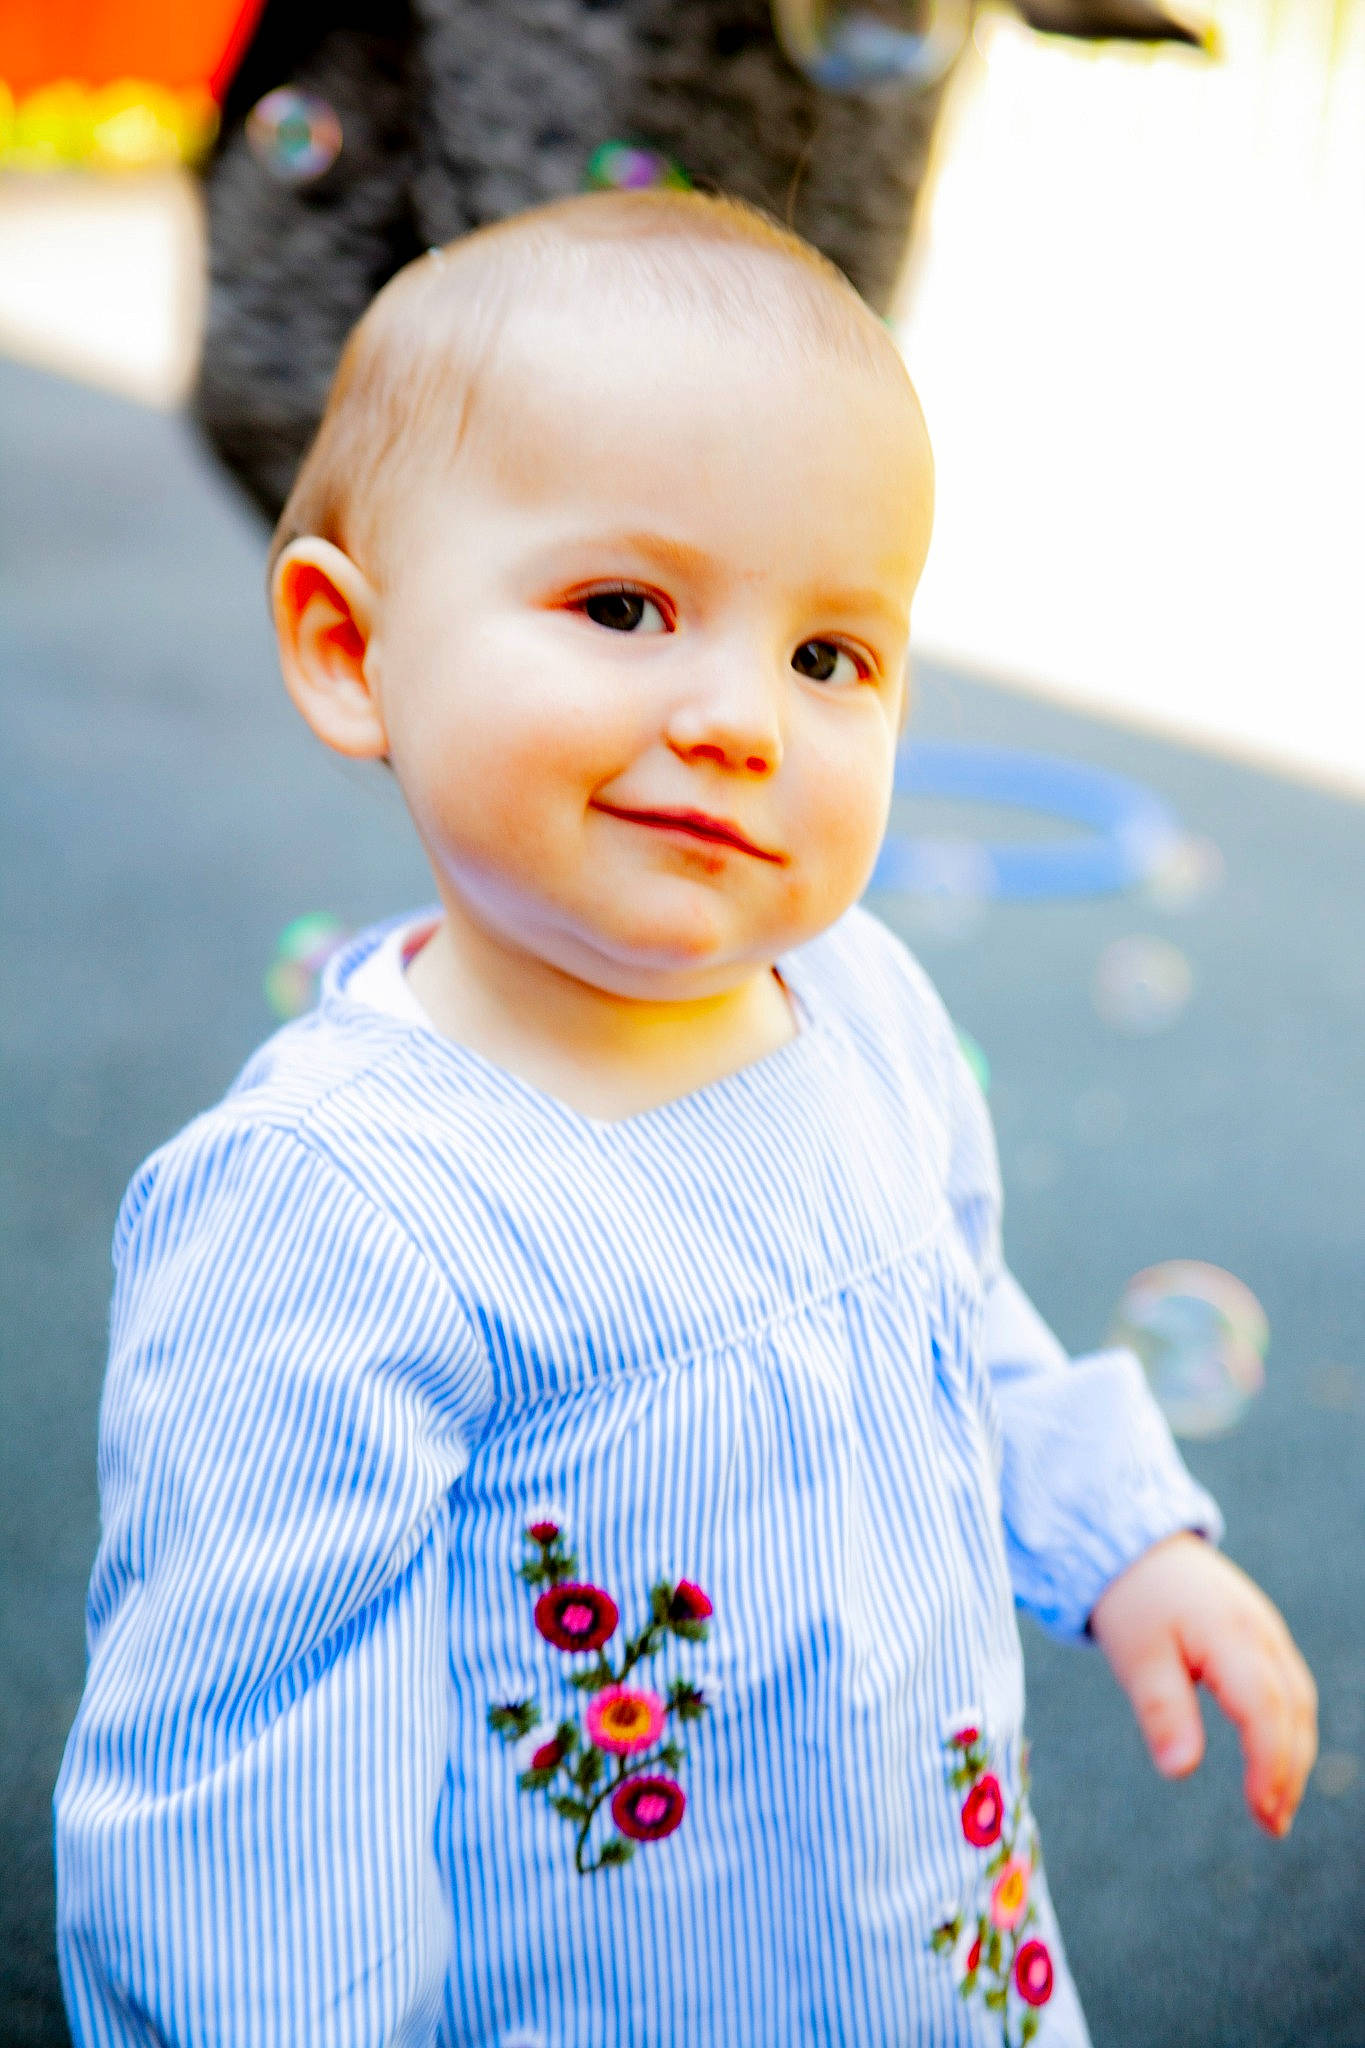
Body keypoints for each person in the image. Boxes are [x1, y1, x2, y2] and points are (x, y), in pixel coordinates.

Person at [55, 189, 1315, 2048]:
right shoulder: (335, 1210)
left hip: (919, 1956)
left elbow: (962, 1321)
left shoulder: (863, 1007)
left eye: (831, 657)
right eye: (624, 606)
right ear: (348, 646)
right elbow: (241, 1788)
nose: (743, 718)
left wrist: (1129, 1537)